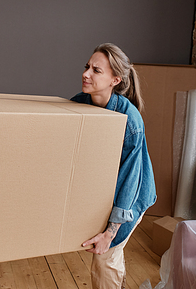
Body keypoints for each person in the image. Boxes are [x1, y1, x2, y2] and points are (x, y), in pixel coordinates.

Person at [71, 43, 156, 289]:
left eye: (96, 70)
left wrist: (111, 231)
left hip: (130, 198)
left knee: (105, 256)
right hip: (104, 195)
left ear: (115, 80)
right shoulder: (79, 105)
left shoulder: (130, 121)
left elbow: (130, 180)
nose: (86, 73)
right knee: (111, 257)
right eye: (87, 67)